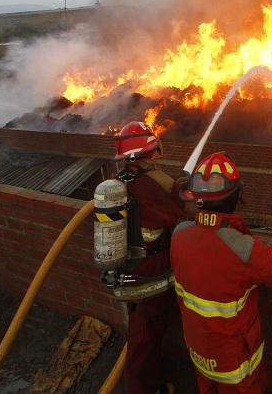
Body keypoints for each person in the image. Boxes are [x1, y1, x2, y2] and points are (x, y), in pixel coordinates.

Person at [170, 151, 272, 393]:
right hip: (234, 362)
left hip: (198, 352)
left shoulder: (180, 234)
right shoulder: (240, 248)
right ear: (235, 196)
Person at [113, 121, 187, 394]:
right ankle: (141, 389)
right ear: (149, 152)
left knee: (142, 328)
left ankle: (152, 383)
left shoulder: (119, 181)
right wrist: (180, 195)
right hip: (148, 272)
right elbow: (173, 214)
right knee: (146, 336)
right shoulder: (152, 183)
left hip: (126, 268)